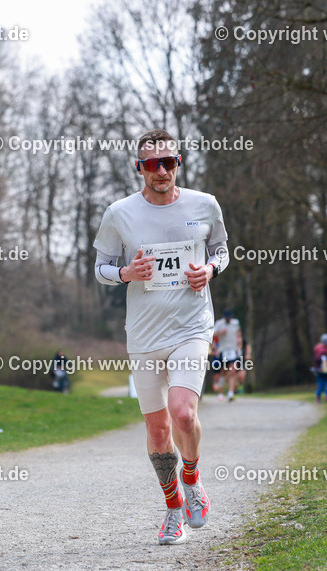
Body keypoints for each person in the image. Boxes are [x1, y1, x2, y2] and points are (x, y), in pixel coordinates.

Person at [93, 128, 230, 545]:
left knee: (183, 413)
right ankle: (173, 511)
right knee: (157, 431)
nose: (161, 171)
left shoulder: (204, 204)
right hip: (144, 334)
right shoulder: (119, 213)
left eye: (168, 162)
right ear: (140, 168)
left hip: (192, 326)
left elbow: (221, 251)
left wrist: (209, 271)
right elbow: (100, 268)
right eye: (152, 164)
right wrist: (125, 273)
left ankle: (192, 478)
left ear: (178, 164)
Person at [213, 308, 244, 402]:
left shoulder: (235, 323)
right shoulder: (219, 323)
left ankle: (230, 393)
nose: (228, 319)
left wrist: (239, 341)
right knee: (224, 372)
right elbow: (212, 335)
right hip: (223, 350)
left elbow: (238, 333)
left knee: (233, 371)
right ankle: (221, 392)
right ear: (224, 317)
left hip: (233, 349)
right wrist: (220, 333)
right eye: (227, 318)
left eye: (229, 318)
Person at [313, 333, 327, 403]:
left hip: (319, 370)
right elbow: (324, 361)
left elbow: (316, 360)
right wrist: (325, 370)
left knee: (321, 384)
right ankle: (326, 397)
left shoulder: (317, 348)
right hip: (323, 371)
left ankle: (318, 398)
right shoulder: (324, 351)